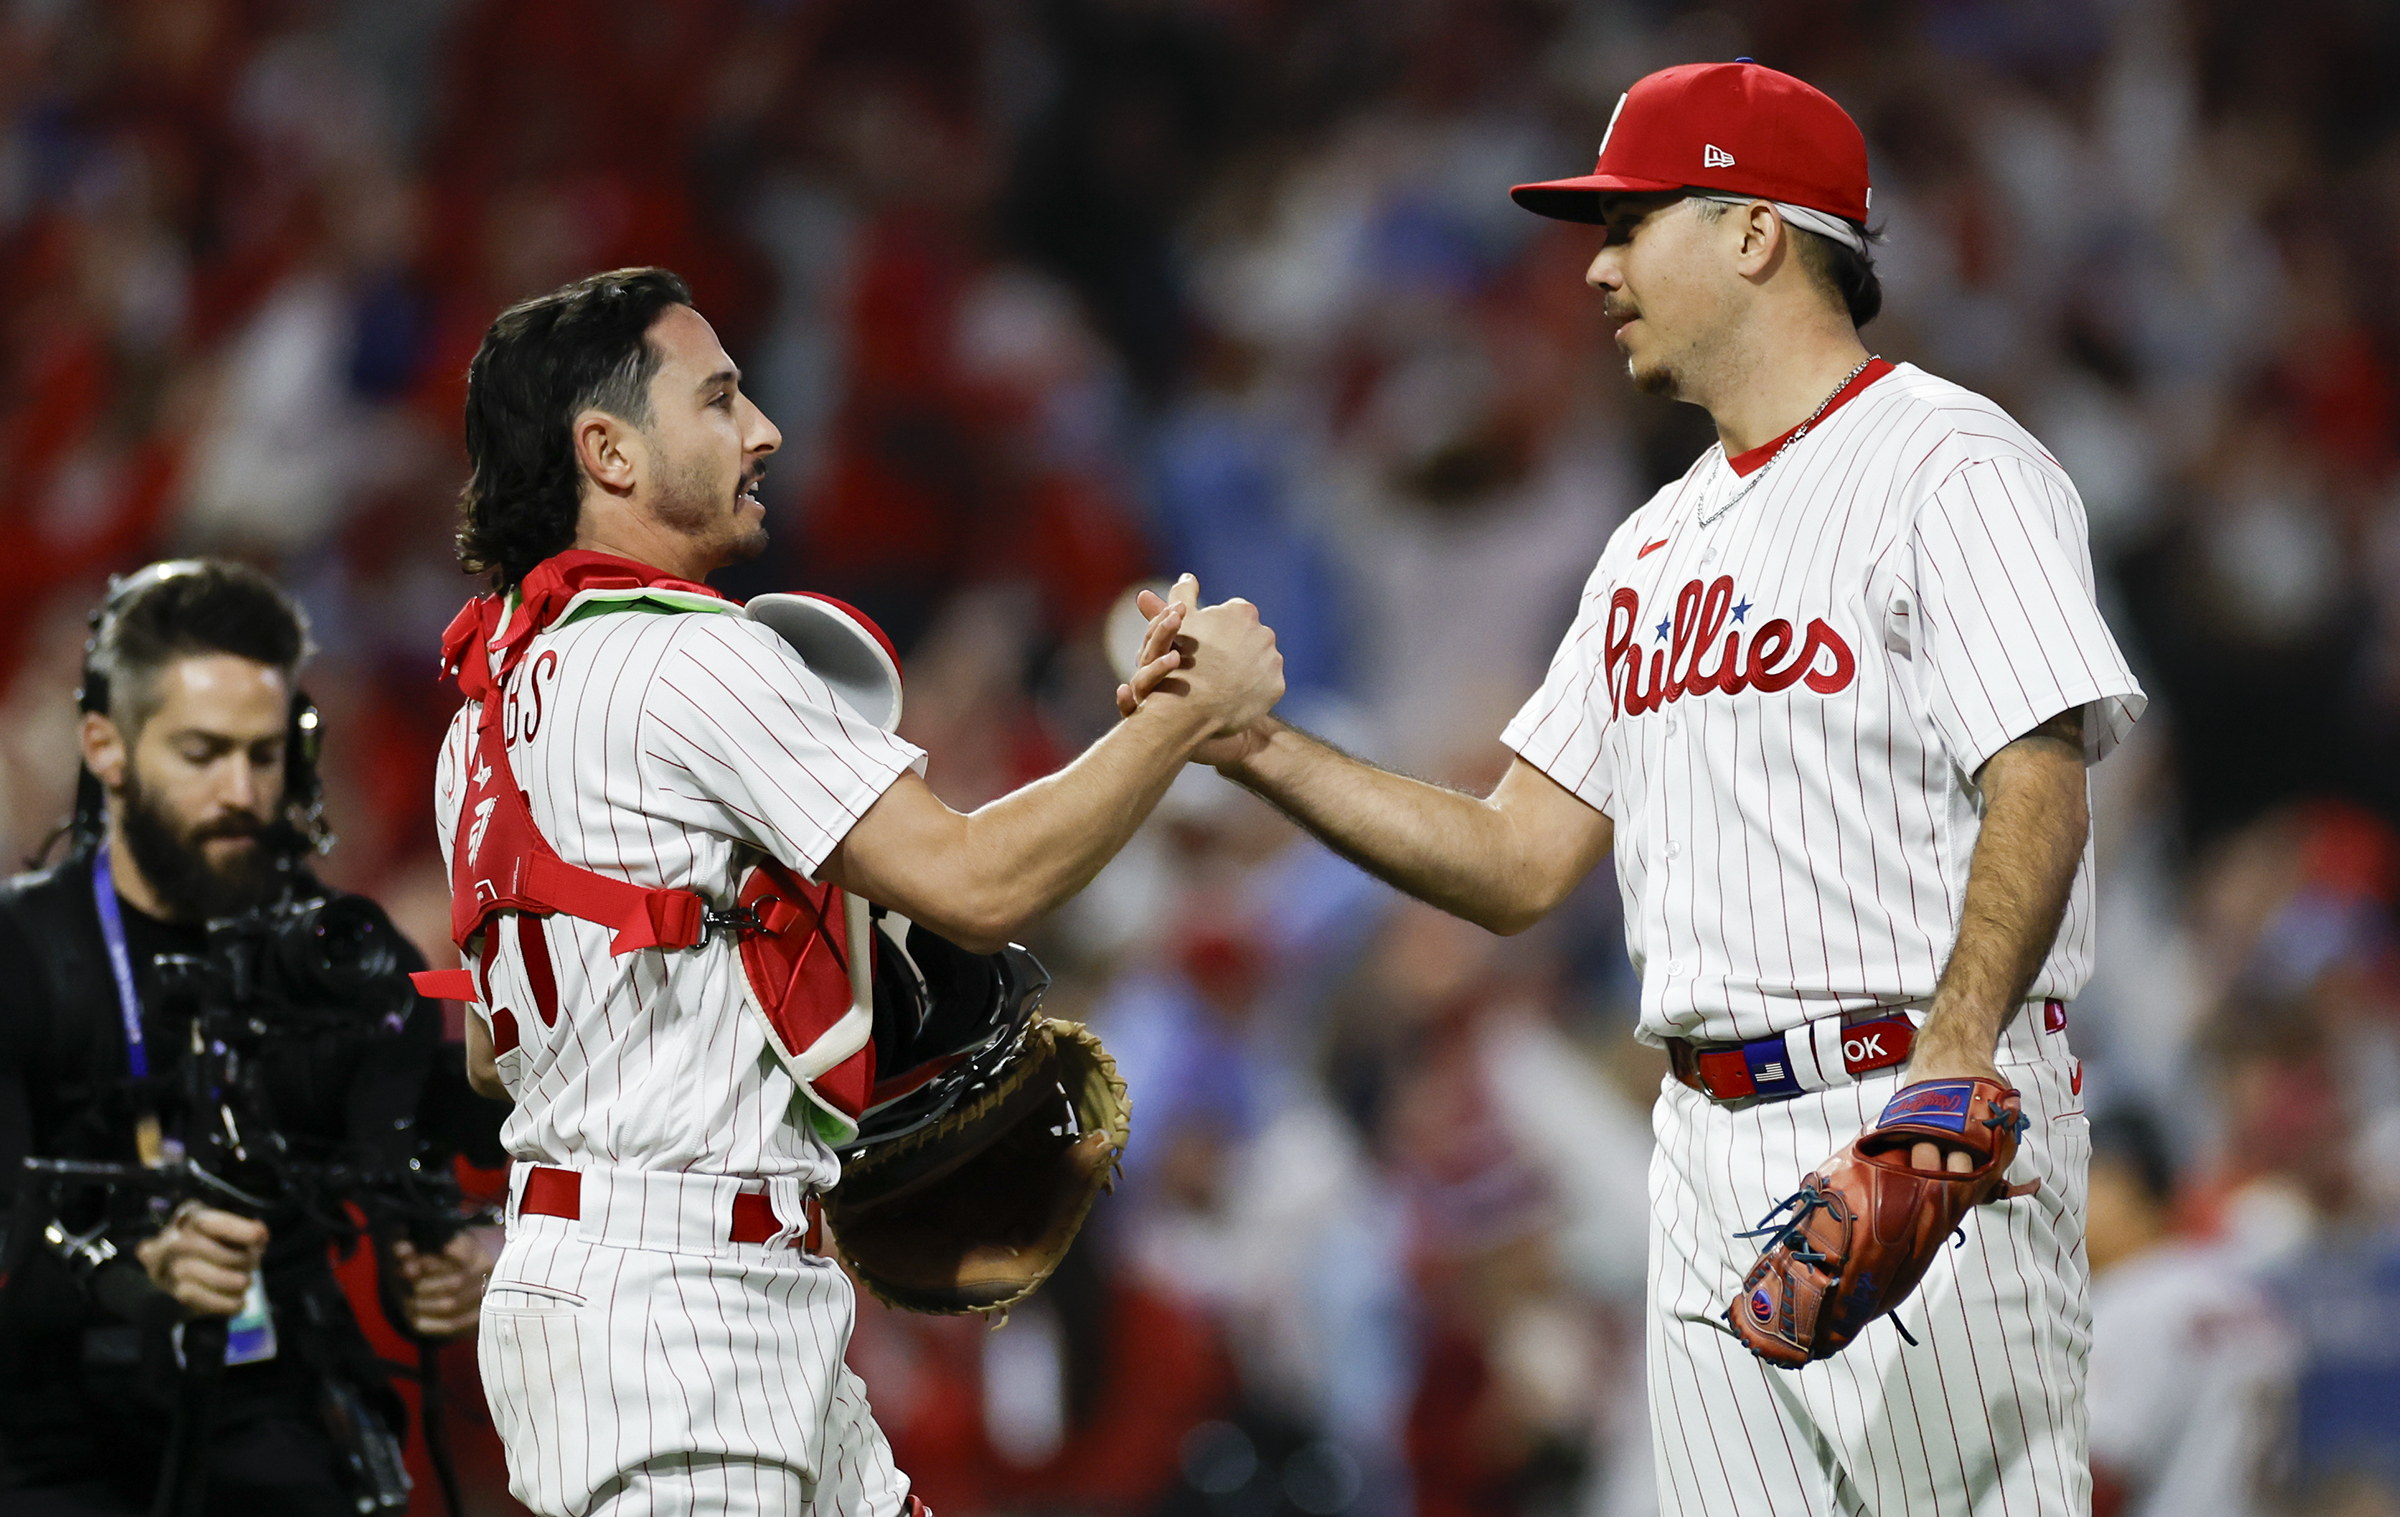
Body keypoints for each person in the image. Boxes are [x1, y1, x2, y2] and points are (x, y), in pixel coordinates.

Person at [1122, 61, 2144, 1515]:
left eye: (1631, 221)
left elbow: (2038, 774)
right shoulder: (1649, 549)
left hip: (1915, 1125)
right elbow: (1516, 857)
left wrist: (1953, 1059)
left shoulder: (1953, 465)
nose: (1596, 266)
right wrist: (1258, 750)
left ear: (1754, 231)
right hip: (1702, 1151)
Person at [435, 267, 1280, 1517]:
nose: (763, 428)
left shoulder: (489, 712)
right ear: (606, 451)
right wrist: (1179, 720)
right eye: (718, 398)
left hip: (638, 1284)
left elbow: (491, 1053)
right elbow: (977, 882)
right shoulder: (692, 653)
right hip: (686, 1310)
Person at [0, 559, 503, 1516]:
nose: (239, 790)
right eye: (200, 752)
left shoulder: (347, 959)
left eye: (264, 755)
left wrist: (461, 1261)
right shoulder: (27, 958)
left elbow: (431, 1178)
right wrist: (128, 1270)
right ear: (106, 749)